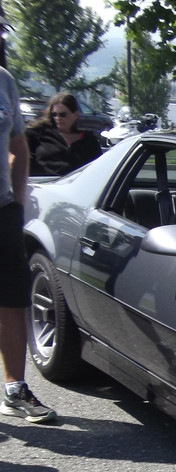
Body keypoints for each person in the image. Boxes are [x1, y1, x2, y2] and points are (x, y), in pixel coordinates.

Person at [0, 66, 56, 423]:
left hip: (2, 209)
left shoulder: (4, 80)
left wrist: (18, 200)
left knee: (11, 300)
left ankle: (14, 390)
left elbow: (18, 143)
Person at [25, 93, 102, 177]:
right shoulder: (38, 132)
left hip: (77, 185)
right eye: (54, 114)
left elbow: (98, 168)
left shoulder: (89, 140)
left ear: (75, 115)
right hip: (44, 184)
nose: (58, 118)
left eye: (63, 114)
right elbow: (18, 154)